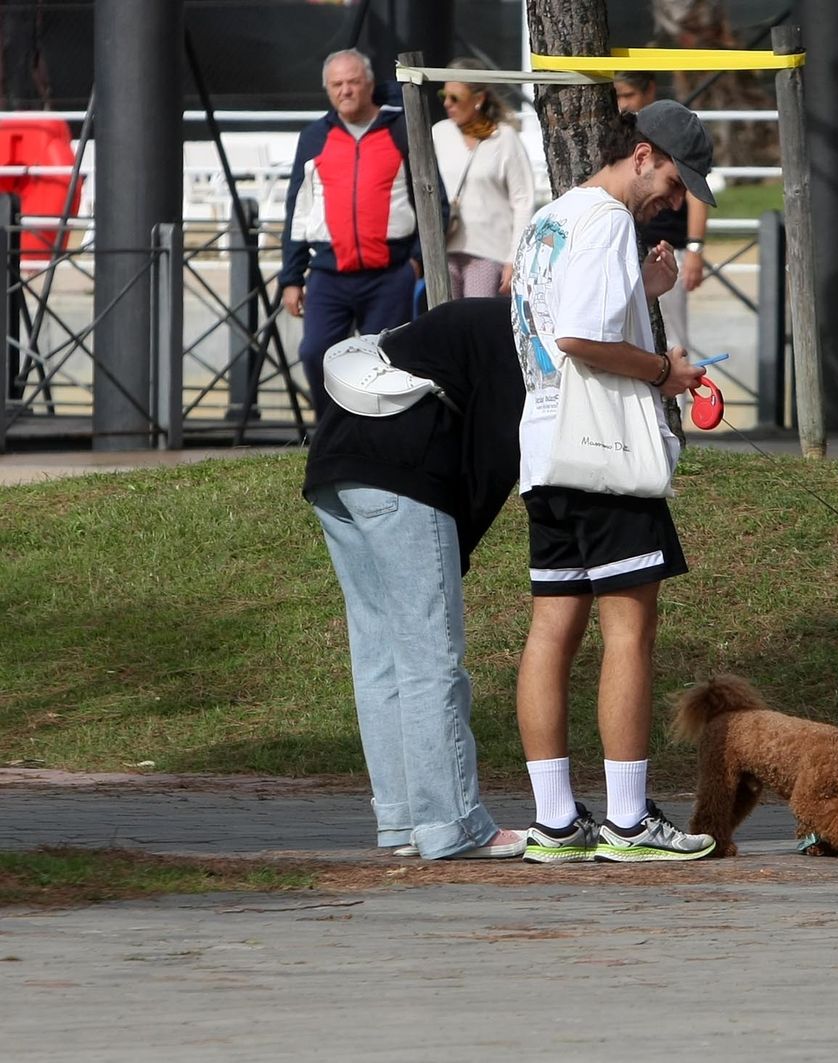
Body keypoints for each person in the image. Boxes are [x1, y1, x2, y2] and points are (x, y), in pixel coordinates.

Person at [509, 101, 719, 863]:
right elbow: (582, 338)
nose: (673, 197)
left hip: (546, 446)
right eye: (671, 177)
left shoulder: (550, 220)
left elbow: (561, 325)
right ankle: (629, 819)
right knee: (629, 630)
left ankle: (556, 820)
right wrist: (667, 371)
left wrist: (644, 291)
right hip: (603, 453)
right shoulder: (604, 222)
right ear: (640, 154)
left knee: (551, 630)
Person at [303, 297, 526, 860]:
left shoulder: (467, 317)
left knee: (380, 652)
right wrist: (458, 550)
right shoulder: (519, 337)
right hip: (402, 473)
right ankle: (452, 823)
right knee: (431, 655)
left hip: (334, 467)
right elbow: (495, 457)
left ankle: (403, 820)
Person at [280, 49, 424, 416]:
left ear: (370, 84)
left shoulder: (402, 129)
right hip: (329, 273)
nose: (346, 90)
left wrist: (417, 263)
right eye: (337, 84)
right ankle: (332, 431)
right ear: (328, 90)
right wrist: (291, 278)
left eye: (353, 82)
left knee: (385, 361)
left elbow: (431, 198)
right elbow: (298, 210)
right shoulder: (314, 137)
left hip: (391, 273)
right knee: (314, 353)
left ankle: (379, 437)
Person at [613, 72, 710, 355]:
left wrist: (694, 248)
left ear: (650, 89)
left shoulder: (677, 134)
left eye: (628, 94)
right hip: (634, 245)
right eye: (617, 96)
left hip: (666, 247)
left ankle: (676, 397)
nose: (622, 104)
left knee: (673, 339)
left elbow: (695, 197)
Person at [431, 57, 538, 299]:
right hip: (443, 250)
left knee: (474, 324)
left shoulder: (504, 138)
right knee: (444, 327)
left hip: (490, 253)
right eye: (443, 96)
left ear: (478, 99)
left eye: (455, 98)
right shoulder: (438, 134)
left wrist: (514, 258)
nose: (447, 103)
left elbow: (523, 201)